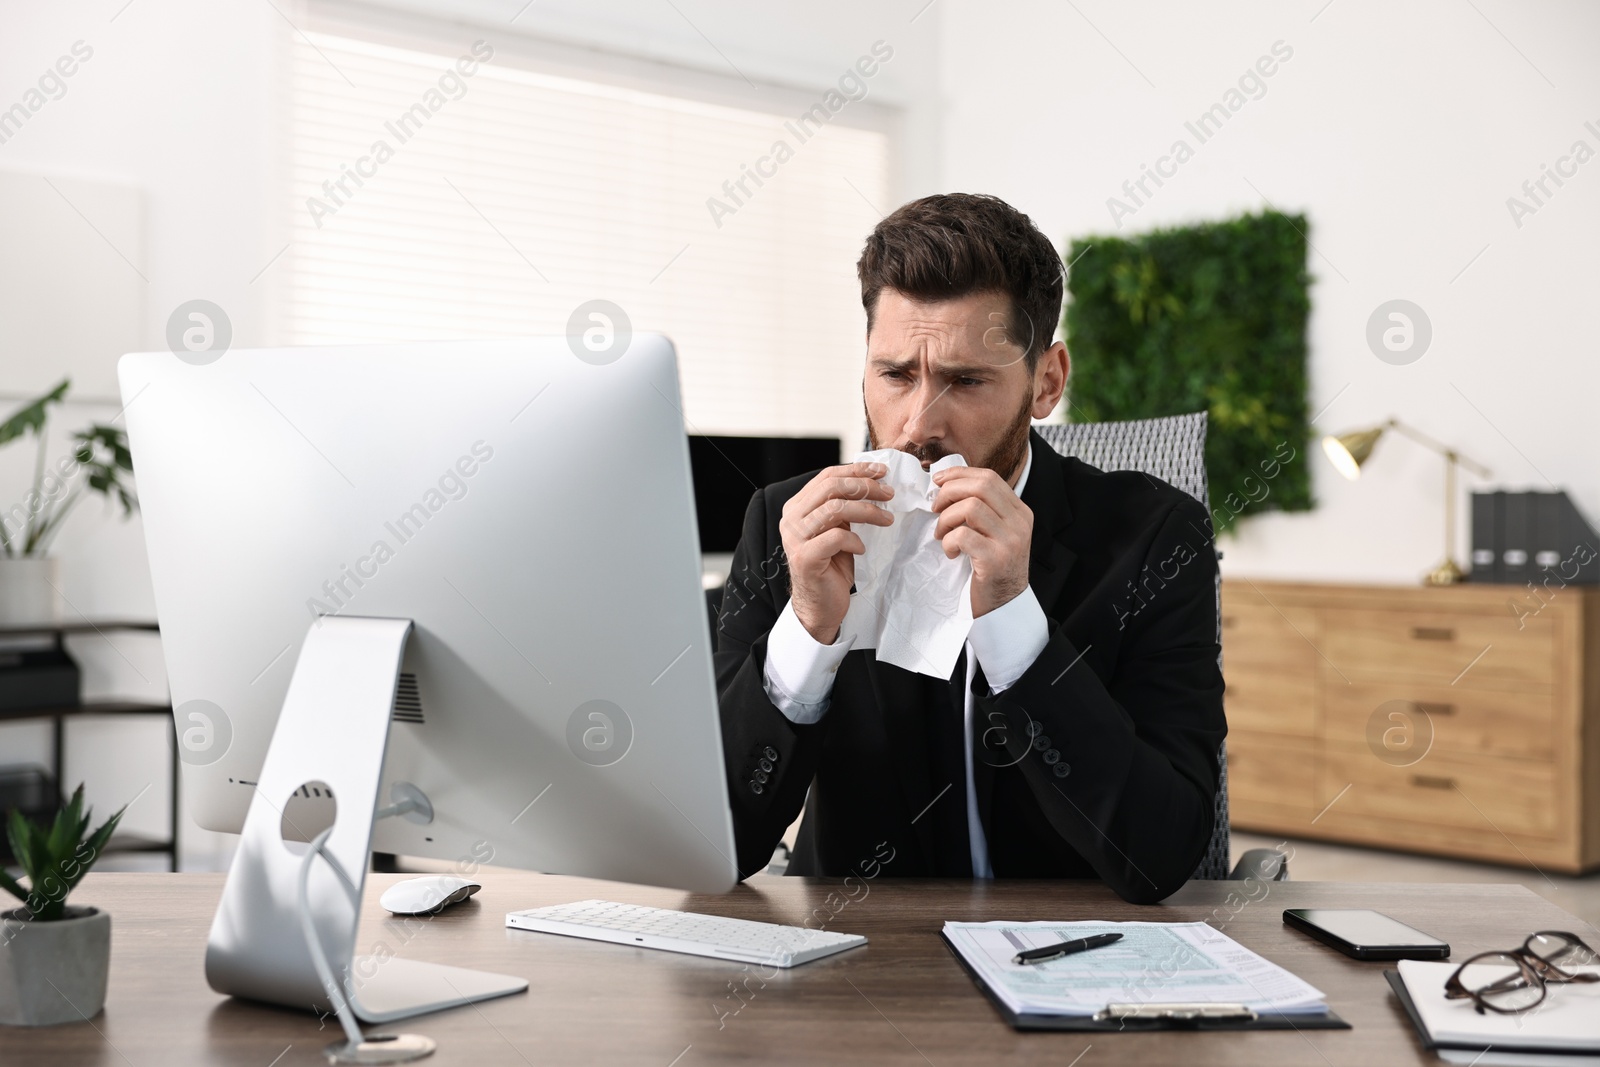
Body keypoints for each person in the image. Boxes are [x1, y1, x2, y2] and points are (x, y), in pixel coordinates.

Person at [714, 193, 1225, 904]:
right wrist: (806, 630)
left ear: (1046, 381)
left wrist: (1016, 620)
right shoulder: (786, 524)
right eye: (895, 374)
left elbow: (1161, 854)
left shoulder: (1155, 537)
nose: (919, 424)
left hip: (1069, 956)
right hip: (855, 963)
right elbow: (722, 845)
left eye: (965, 380)